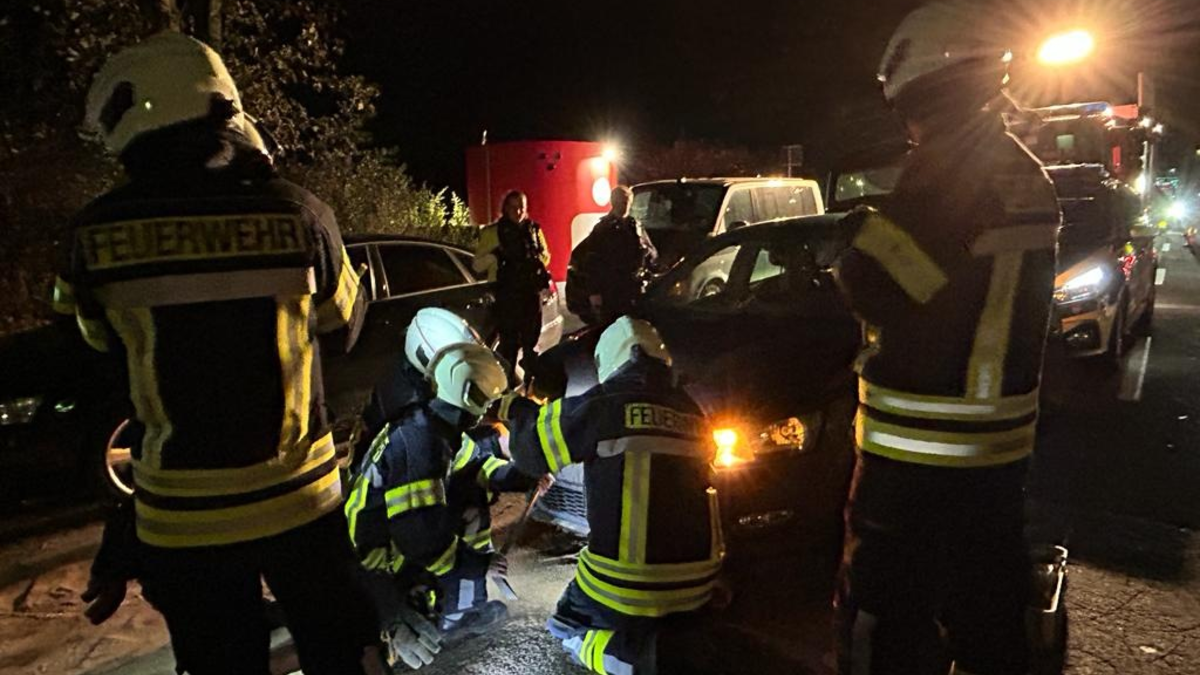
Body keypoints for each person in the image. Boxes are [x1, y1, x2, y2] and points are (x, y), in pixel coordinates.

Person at [60, 32, 382, 675]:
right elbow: (343, 326)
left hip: (183, 521)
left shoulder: (93, 235)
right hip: (301, 503)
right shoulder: (301, 214)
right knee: (344, 651)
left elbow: (99, 355)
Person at [830, 3, 1062, 675]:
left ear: (930, 86)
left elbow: (884, 281)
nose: (908, 125)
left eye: (909, 108)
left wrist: (855, 233)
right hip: (996, 458)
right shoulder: (1024, 173)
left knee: (880, 622)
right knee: (991, 621)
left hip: (915, 463)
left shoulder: (948, 169)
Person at [497, 316, 724, 675]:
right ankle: (676, 638)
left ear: (609, 363)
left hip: (625, 585)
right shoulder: (694, 413)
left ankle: (632, 661)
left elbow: (529, 451)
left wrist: (514, 408)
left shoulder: (605, 404)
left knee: (564, 627)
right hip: (701, 584)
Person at [343, 337, 521, 669]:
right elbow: (421, 538)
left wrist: (519, 472)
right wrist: (478, 565)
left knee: (467, 498)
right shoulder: (421, 447)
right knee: (450, 555)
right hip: (376, 557)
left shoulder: (431, 425)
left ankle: (457, 602)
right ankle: (452, 619)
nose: (488, 411)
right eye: (487, 402)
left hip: (389, 538)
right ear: (470, 398)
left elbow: (474, 460)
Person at [473, 190, 552, 384]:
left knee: (531, 346)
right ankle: (505, 390)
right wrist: (496, 256)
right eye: (513, 207)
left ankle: (531, 388)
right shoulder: (493, 233)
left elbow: (546, 256)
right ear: (505, 209)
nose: (518, 212)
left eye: (521, 207)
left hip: (530, 295)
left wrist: (535, 261)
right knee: (508, 347)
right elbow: (477, 265)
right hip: (506, 295)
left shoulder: (533, 230)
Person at [567, 185, 658, 326]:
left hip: (632, 289)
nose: (624, 205)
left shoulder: (635, 227)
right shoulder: (602, 229)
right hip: (610, 291)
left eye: (627, 201)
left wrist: (648, 254)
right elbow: (592, 264)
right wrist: (595, 293)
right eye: (621, 201)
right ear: (613, 202)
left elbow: (652, 254)